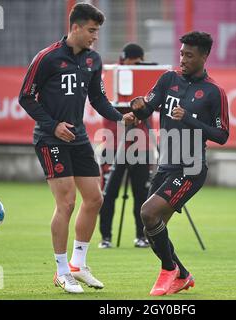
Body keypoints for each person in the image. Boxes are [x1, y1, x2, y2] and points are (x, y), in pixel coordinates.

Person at [18, 3, 135, 294]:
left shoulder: (93, 60)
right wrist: (53, 124)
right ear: (76, 28)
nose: (95, 37)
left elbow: (97, 99)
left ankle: (78, 265)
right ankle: (60, 271)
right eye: (92, 31)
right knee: (67, 203)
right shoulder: (47, 58)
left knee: (95, 199)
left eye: (97, 31)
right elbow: (26, 97)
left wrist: (121, 117)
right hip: (50, 138)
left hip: (79, 138)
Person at [130, 31, 230, 296]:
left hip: (192, 167)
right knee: (150, 226)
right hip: (166, 165)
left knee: (149, 213)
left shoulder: (214, 92)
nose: (183, 59)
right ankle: (183, 275)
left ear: (204, 56)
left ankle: (168, 270)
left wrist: (190, 120)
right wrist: (136, 108)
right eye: (182, 53)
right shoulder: (168, 79)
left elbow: (222, 135)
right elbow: (146, 108)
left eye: (189, 55)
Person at [98, 43, 153, 249]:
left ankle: (142, 236)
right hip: (114, 142)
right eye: (137, 62)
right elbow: (103, 105)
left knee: (143, 194)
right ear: (127, 60)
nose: (139, 65)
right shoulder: (111, 77)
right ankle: (106, 237)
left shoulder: (147, 77)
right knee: (108, 193)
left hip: (142, 144)